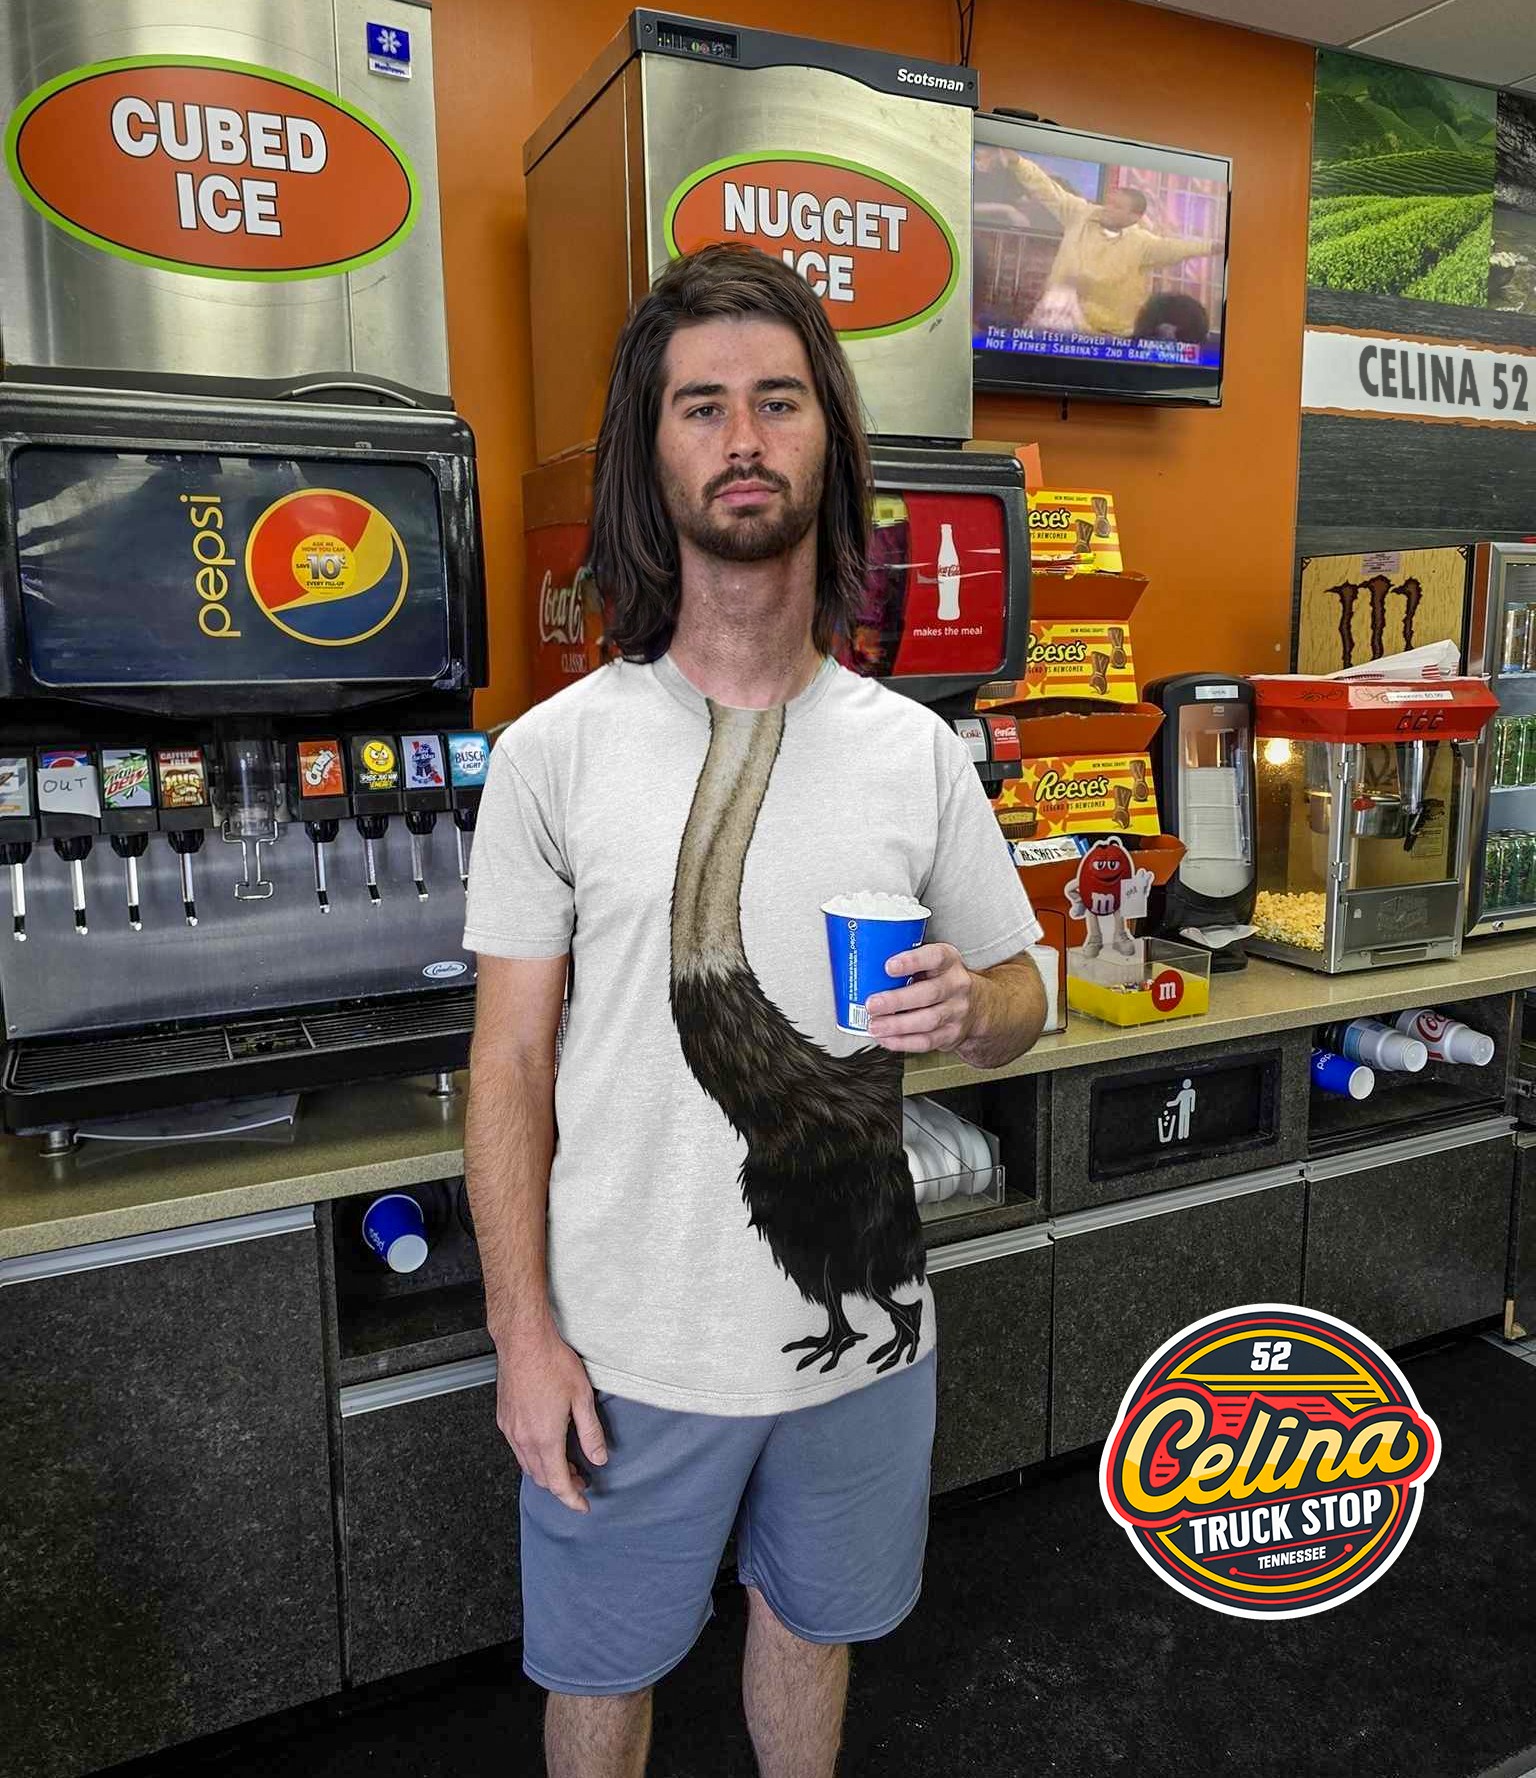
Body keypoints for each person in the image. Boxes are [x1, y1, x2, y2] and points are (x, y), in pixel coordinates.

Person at [462, 242, 1047, 1778]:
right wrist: (523, 1333)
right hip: (628, 1351)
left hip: (863, 1337)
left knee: (813, 1625)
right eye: (702, 405)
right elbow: (507, 1060)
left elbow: (1027, 991)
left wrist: (971, 1004)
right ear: (651, 456)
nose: (742, 437)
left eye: (779, 401)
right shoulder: (552, 756)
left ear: (827, 443)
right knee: (603, 1670)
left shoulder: (913, 752)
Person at [997, 150, 1219, 338]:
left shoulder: (1142, 244)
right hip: (1059, 323)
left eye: (1117, 207)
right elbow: (1047, 190)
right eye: (1109, 203)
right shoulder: (1080, 214)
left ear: (1134, 217)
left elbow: (1177, 248)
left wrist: (1213, 247)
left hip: (1110, 335)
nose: (1107, 209)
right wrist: (1018, 163)